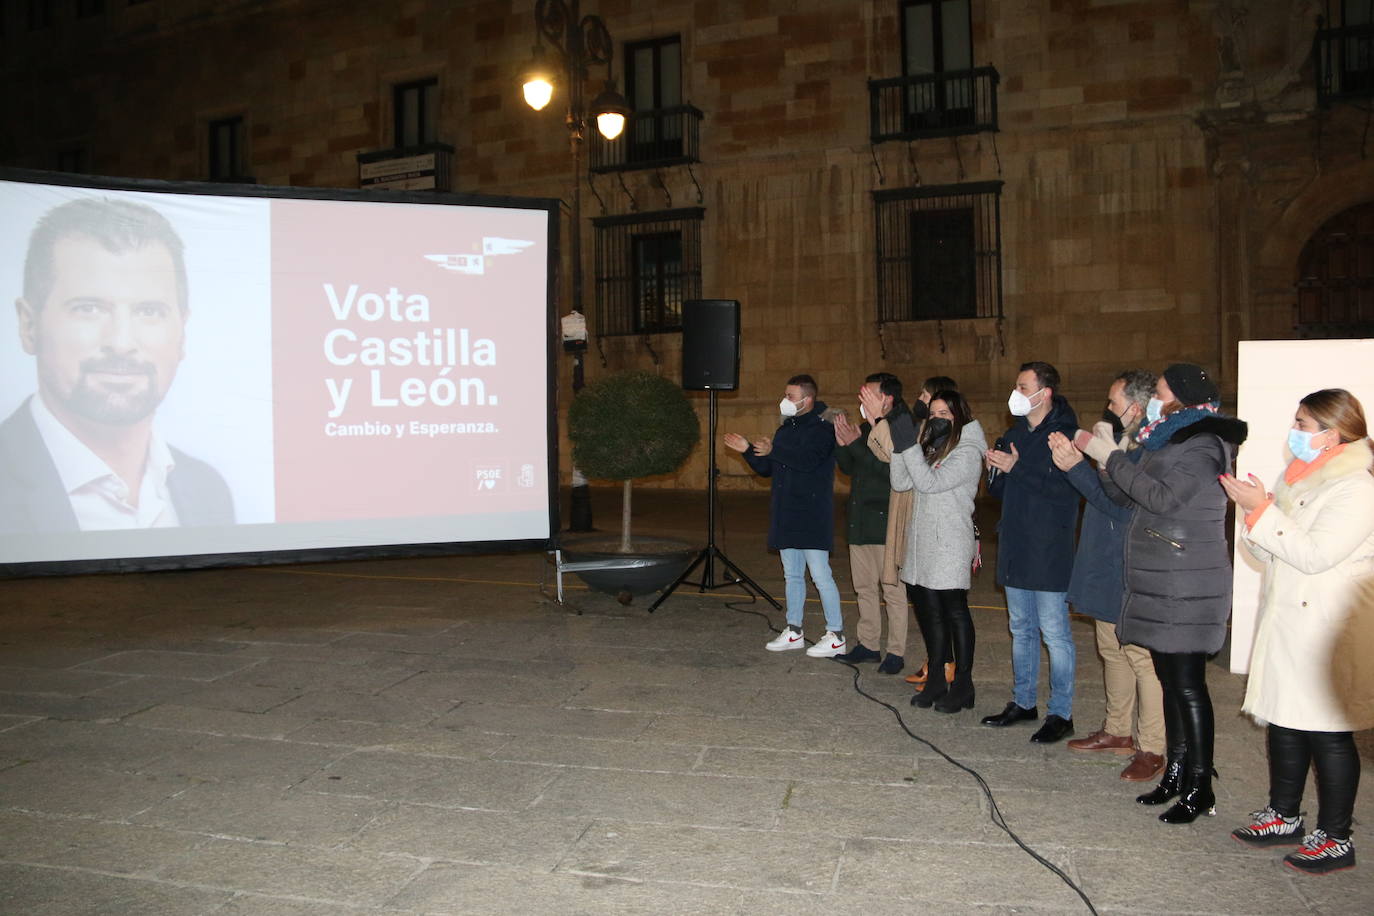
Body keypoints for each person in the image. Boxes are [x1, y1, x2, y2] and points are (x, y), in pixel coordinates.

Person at [0, 196, 234, 535]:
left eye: (149, 311)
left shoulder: (207, 489)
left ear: (182, 332)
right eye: (89, 308)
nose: (122, 343)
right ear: (29, 326)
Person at [1075, 363, 1247, 824]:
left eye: (1163, 391)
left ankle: (1200, 786)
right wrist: (1107, 459)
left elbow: (1164, 499)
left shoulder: (1205, 442)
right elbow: (1131, 496)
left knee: (1189, 687)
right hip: (1162, 577)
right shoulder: (1165, 437)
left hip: (1187, 578)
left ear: (1183, 398)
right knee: (1172, 682)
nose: (1156, 396)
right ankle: (1175, 771)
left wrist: (1111, 458)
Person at [1221, 388, 1374, 874]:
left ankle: (1336, 837)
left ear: (1332, 434)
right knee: (1284, 723)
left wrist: (1263, 512)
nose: (1295, 433)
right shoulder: (1298, 478)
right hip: (1290, 621)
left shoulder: (1356, 487)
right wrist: (1255, 511)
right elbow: (1266, 553)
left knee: (1328, 734)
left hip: (1327, 628)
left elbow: (1315, 554)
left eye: (1303, 425)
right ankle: (1283, 815)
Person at [1049, 370, 1167, 782]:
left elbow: (1125, 507)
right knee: (1111, 647)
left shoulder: (1150, 450)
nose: (1109, 410)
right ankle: (1118, 730)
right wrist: (1079, 465)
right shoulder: (1123, 444)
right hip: (1104, 557)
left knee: (1140, 656)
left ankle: (1153, 746)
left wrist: (1080, 468)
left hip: (1130, 562)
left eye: (1114, 404)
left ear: (1135, 407)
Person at [981, 361, 1081, 744]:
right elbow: (1000, 492)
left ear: (1045, 393)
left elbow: (1064, 491)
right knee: (1020, 629)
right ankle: (1023, 701)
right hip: (1016, 543)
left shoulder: (1065, 435)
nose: (1017, 393)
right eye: (1017, 386)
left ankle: (1061, 712)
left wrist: (1016, 469)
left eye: (1024, 387)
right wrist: (995, 470)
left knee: (1054, 633)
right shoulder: (1014, 433)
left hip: (1049, 547)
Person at [725, 374, 846, 657]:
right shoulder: (787, 427)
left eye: (790, 396)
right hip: (786, 511)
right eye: (786, 395)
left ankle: (837, 634)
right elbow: (770, 468)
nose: (785, 401)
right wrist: (748, 451)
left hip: (812, 512)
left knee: (820, 575)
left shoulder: (824, 427)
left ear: (808, 399)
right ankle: (794, 630)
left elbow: (807, 461)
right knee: (792, 575)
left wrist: (774, 450)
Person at [883, 388, 987, 713]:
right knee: (928, 613)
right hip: (922, 541)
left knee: (953, 611)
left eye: (945, 414)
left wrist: (911, 446)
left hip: (949, 543)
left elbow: (929, 483)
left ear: (959, 418)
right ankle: (938, 679)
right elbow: (902, 482)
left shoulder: (967, 451)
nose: (938, 419)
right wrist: (904, 445)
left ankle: (964, 684)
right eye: (934, 413)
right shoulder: (930, 445)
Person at [832, 372, 911, 673]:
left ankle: (896, 651)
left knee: (892, 590)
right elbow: (851, 467)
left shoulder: (901, 428)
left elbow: (891, 473)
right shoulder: (867, 428)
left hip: (886, 522)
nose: (862, 400)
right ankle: (868, 645)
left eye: (870, 394)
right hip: (861, 520)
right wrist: (843, 442)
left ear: (888, 399)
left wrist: (855, 446)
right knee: (863, 587)